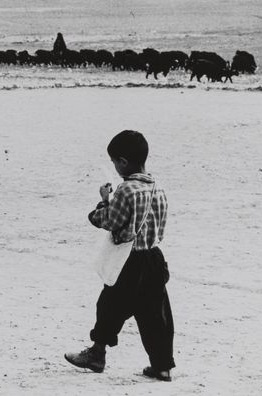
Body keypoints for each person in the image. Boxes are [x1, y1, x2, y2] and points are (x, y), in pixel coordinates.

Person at [64, 130, 175, 381]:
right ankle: (162, 366)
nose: (115, 167)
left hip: (130, 261)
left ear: (123, 162)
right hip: (154, 259)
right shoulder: (158, 188)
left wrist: (103, 202)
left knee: (109, 306)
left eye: (115, 162)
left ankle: (97, 353)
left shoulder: (126, 190)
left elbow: (110, 222)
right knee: (156, 315)